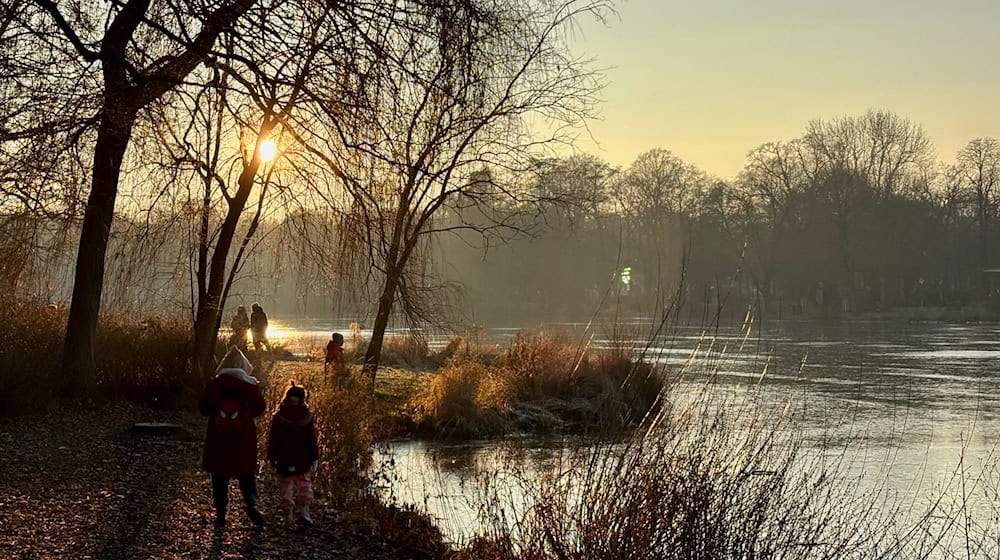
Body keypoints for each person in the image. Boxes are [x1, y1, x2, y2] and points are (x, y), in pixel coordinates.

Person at [199, 347, 267, 529]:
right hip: (243, 436)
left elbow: (204, 408)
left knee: (219, 475)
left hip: (218, 436)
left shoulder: (216, 384)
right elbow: (260, 408)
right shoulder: (250, 385)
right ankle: (251, 505)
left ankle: (221, 514)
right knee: (246, 473)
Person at [267, 381, 319, 527]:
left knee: (286, 485)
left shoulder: (278, 416)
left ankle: (288, 516)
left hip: (283, 457)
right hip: (303, 457)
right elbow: (311, 439)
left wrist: (271, 458)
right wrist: (314, 457)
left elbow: (273, 439)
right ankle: (305, 513)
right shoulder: (306, 416)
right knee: (304, 485)